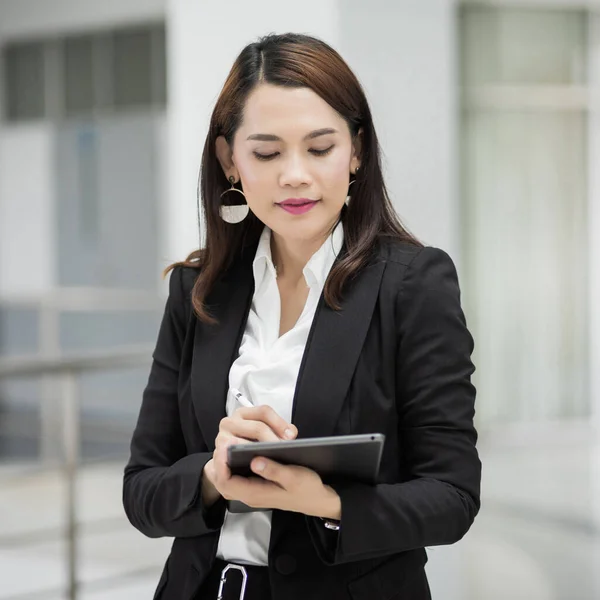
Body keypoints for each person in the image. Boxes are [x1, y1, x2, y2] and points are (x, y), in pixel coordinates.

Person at [123, 32, 481, 600]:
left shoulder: (412, 284)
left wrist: (315, 499)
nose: (295, 174)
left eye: (320, 148)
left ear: (356, 151)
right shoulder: (199, 290)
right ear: (230, 160)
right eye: (266, 152)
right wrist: (215, 476)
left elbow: (452, 498)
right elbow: (142, 492)